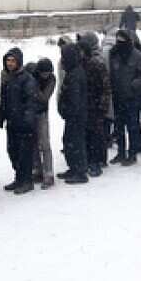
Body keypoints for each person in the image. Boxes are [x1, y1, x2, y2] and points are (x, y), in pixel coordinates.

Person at [0, 47, 39, 194]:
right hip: (12, 123)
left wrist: (28, 121)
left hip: (24, 124)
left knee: (24, 154)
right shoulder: (7, 79)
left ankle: (27, 181)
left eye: (12, 60)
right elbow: (4, 100)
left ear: (19, 61)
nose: (9, 63)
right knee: (12, 151)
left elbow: (31, 102)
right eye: (8, 60)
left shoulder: (27, 79)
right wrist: (1, 116)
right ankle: (19, 178)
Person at [108, 29, 141, 166]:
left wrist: (134, 85)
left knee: (132, 126)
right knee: (118, 127)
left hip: (132, 97)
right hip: (117, 96)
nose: (120, 44)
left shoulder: (137, 56)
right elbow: (111, 73)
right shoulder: (114, 54)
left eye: (122, 41)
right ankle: (121, 152)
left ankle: (132, 153)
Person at [78, 32, 111, 177]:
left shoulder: (97, 64)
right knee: (88, 135)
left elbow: (105, 87)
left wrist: (102, 106)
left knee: (97, 135)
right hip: (86, 105)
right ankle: (90, 160)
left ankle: (97, 162)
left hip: (96, 105)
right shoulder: (80, 66)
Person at [55, 42, 89, 184]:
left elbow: (74, 98)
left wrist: (67, 110)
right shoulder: (73, 71)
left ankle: (80, 172)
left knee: (75, 143)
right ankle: (74, 168)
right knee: (69, 141)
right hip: (74, 115)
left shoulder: (75, 74)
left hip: (76, 115)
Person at [31, 58, 57, 187]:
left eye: (48, 73)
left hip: (42, 113)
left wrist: (33, 87)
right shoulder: (31, 74)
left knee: (44, 143)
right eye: (44, 73)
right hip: (30, 113)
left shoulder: (52, 79)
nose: (46, 76)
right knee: (33, 142)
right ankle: (37, 170)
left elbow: (44, 97)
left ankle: (49, 173)